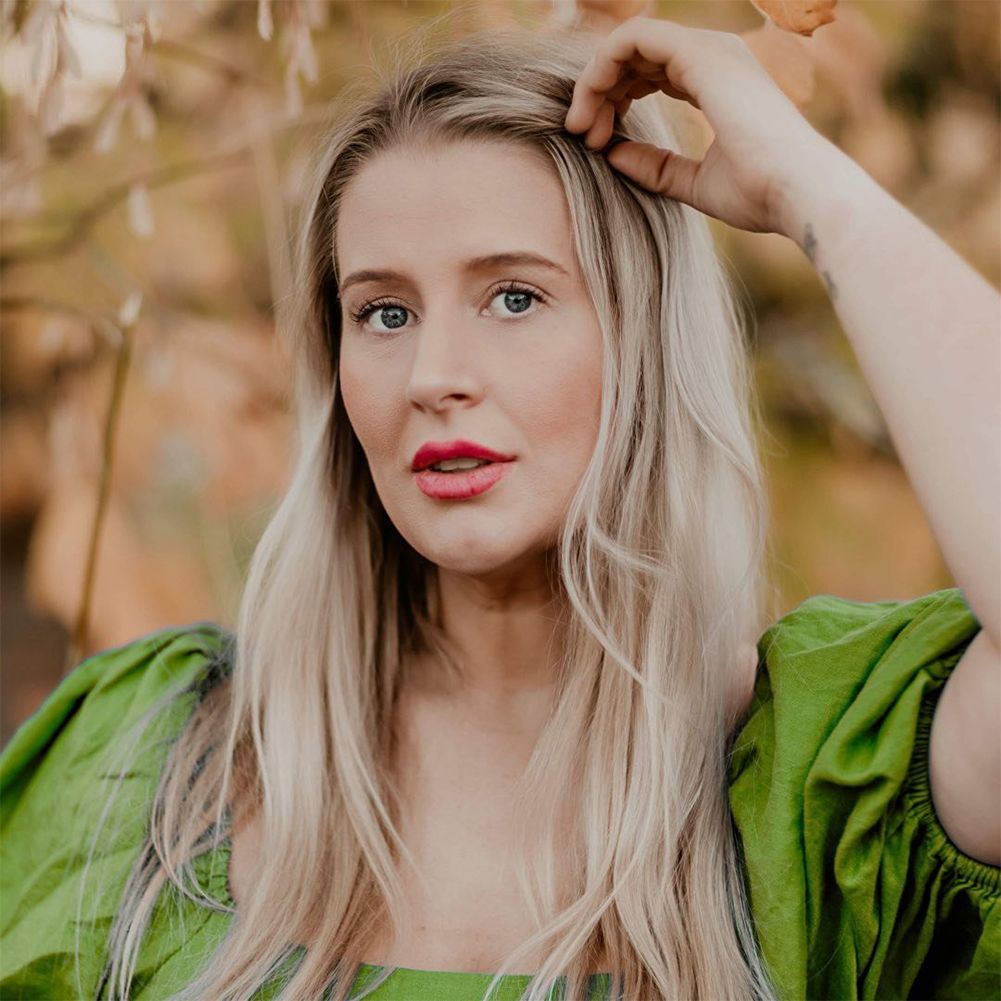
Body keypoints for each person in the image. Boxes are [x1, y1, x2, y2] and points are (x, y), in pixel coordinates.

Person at [1, 14, 998, 1001]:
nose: (432, 375)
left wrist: (808, 186)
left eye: (513, 297)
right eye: (383, 312)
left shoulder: (828, 782)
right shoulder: (154, 765)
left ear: (641, 341)